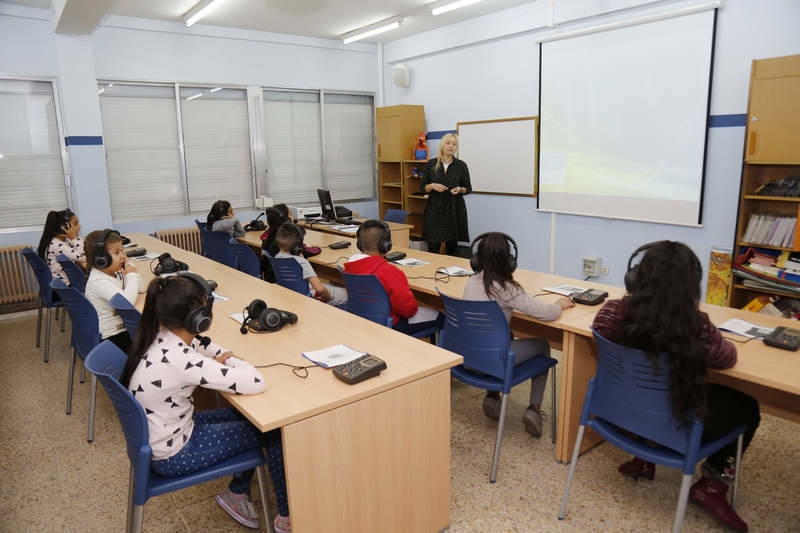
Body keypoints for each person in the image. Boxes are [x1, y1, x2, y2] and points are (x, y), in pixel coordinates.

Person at [592, 241, 760, 532]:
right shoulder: (696, 327)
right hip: (674, 420)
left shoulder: (609, 313)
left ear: (636, 276)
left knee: (650, 386)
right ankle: (711, 485)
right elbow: (727, 358)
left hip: (621, 413)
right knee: (749, 407)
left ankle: (644, 457)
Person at [120, 274, 291, 532]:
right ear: (200, 318)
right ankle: (287, 517)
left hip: (164, 433)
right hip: (175, 453)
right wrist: (232, 359)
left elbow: (201, 345)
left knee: (247, 420)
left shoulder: (161, 336)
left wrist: (218, 354)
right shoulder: (182, 360)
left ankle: (238, 492)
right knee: (272, 431)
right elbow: (256, 382)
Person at [462, 232, 574, 437]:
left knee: (506, 333)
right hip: (492, 361)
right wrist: (559, 305)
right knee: (543, 345)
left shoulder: (471, 282)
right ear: (509, 261)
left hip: (468, 359)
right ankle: (534, 409)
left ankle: (492, 397)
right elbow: (546, 314)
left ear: (477, 260)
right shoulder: (508, 289)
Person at [345, 219, 443, 335]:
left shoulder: (349, 267)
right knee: (442, 317)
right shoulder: (391, 272)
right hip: (390, 323)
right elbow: (408, 311)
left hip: (362, 317)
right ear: (386, 245)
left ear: (359, 244)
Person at [83, 229, 142, 353]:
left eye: (122, 250)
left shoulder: (114, 273)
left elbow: (140, 288)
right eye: (117, 252)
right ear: (101, 259)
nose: (122, 255)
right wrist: (131, 275)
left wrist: (129, 267)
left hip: (123, 328)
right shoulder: (98, 281)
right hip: (113, 338)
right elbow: (127, 302)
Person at [421, 133, 471, 256]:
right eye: (448, 143)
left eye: (454, 144)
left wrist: (460, 189)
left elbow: (468, 188)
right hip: (435, 210)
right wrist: (432, 186)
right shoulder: (431, 164)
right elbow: (423, 188)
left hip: (454, 209)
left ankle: (453, 273)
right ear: (442, 145)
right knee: (433, 247)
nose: (451, 146)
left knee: (452, 249)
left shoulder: (461, 165)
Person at [274, 223, 347, 306]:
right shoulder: (301, 262)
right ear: (297, 245)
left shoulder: (276, 257)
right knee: (347, 293)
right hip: (310, 298)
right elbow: (319, 289)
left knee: (331, 285)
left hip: (292, 294)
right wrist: (328, 298)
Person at [37, 208, 86, 285]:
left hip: (63, 283)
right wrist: (74, 237)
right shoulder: (58, 245)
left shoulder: (61, 240)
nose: (79, 226)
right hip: (65, 286)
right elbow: (83, 258)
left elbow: (81, 250)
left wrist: (74, 238)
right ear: (64, 227)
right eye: (76, 224)